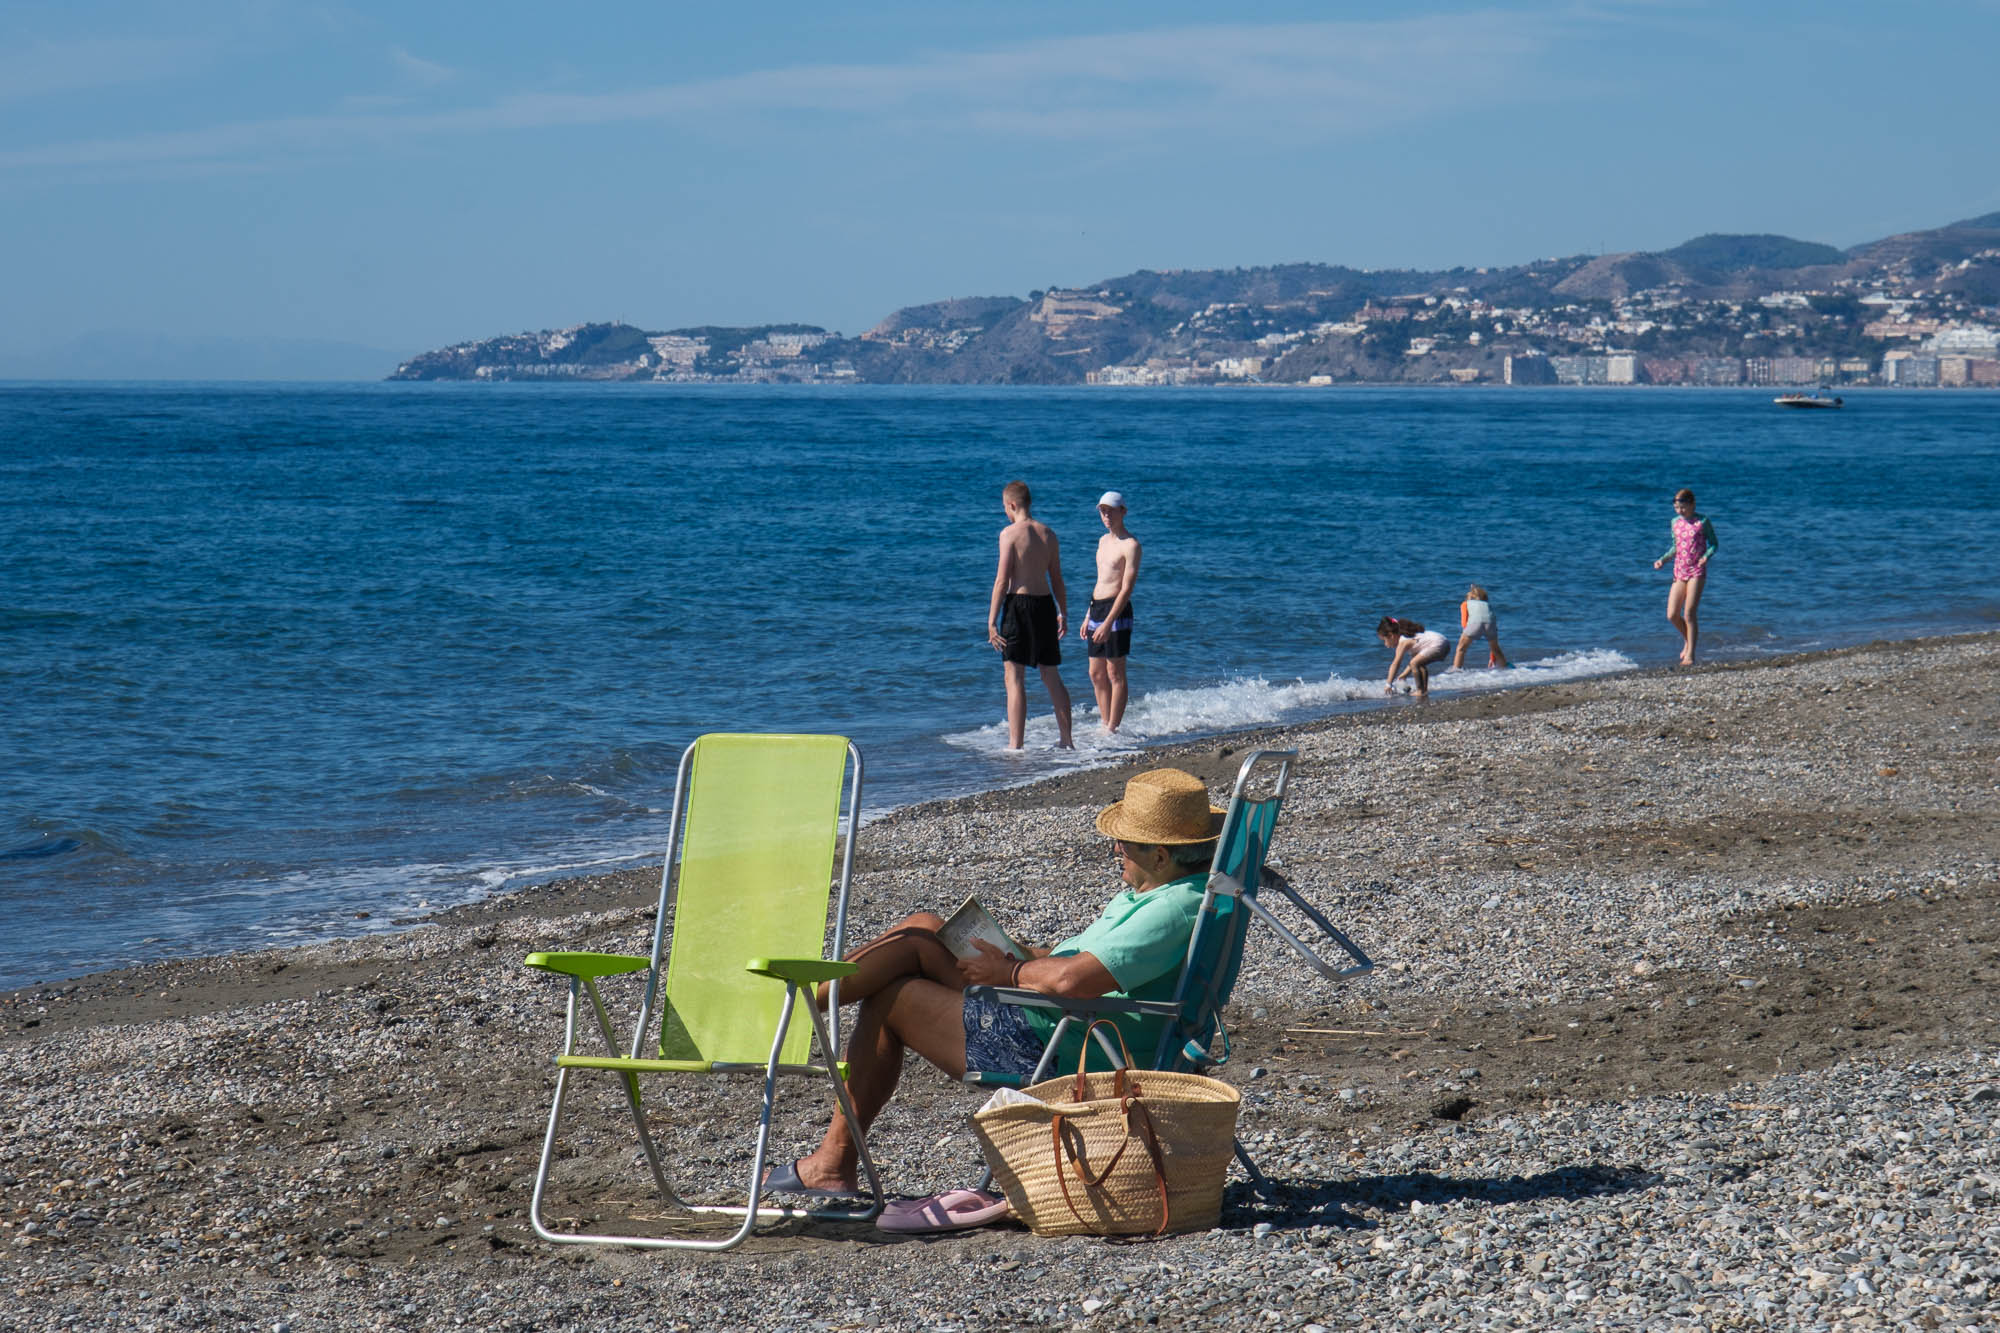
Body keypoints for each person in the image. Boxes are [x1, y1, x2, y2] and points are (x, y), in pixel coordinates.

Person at [763, 768, 1225, 1198]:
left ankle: (790, 1008)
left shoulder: (1171, 910)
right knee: (923, 928)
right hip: (1058, 1015)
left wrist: (1009, 974)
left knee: (893, 996)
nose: (1115, 852)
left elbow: (1070, 981)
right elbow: (1077, 961)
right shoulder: (1161, 894)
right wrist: (1018, 954)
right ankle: (805, 1007)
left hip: (1062, 1040)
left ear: (1160, 856)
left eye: (1124, 844)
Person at [986, 480, 1073, 749]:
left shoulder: (1009, 534)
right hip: (1045, 605)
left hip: (1018, 605)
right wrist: (1063, 612)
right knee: (1051, 674)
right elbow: (1057, 578)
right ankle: (1067, 740)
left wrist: (991, 621)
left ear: (1012, 505)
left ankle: (1016, 744)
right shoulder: (1048, 534)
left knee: (1014, 676)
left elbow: (1002, 580)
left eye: (1005, 507)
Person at [1080, 490, 1141, 735]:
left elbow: (1126, 588)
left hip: (1117, 611)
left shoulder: (1131, 545)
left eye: (1111, 510)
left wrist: (1108, 622)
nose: (1106, 515)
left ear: (1123, 512)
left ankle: (1113, 728)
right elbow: (1100, 580)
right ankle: (1106, 723)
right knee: (1095, 672)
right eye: (1103, 511)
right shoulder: (1103, 541)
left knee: (1115, 671)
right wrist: (1088, 615)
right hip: (1097, 607)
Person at [1652, 488, 1717, 665]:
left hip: (1697, 571)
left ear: (1692, 504)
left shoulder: (1702, 521)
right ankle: (1688, 640)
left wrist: (1706, 557)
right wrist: (1662, 560)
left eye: (1683, 507)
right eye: (1676, 508)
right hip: (1679, 571)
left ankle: (1690, 655)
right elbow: (1676, 546)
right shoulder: (1675, 522)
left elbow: (1714, 544)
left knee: (1689, 613)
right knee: (1672, 614)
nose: (1680, 511)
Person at [1379, 616, 1449, 698]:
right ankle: (1424, 690)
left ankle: (1420, 690)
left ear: (1391, 635)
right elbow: (1413, 663)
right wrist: (1404, 675)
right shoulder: (1409, 637)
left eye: (1384, 640)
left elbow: (1396, 663)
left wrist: (1388, 683)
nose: (1385, 645)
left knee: (1415, 663)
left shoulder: (1403, 642)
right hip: (1444, 642)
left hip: (1438, 643)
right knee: (1419, 664)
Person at [1451, 584, 1510, 670]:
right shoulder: (1487, 604)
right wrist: (1492, 658)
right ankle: (1505, 668)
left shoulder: (1465, 603)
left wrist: (1467, 633)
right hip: (1490, 624)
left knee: (1461, 648)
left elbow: (1464, 623)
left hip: (1475, 624)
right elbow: (1493, 621)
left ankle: (1456, 671)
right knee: (1495, 649)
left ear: (1469, 597)